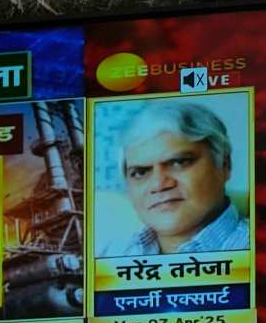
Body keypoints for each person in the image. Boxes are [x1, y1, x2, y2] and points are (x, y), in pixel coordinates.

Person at [104, 99, 246, 255]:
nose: (158, 184)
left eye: (179, 162)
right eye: (140, 172)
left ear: (224, 165)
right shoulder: (112, 253)